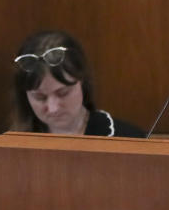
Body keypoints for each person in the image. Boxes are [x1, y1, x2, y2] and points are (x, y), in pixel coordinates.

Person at [10, 30, 145, 138]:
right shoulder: (11, 147)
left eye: (63, 93)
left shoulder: (129, 139)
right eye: (40, 97)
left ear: (82, 81)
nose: (53, 108)